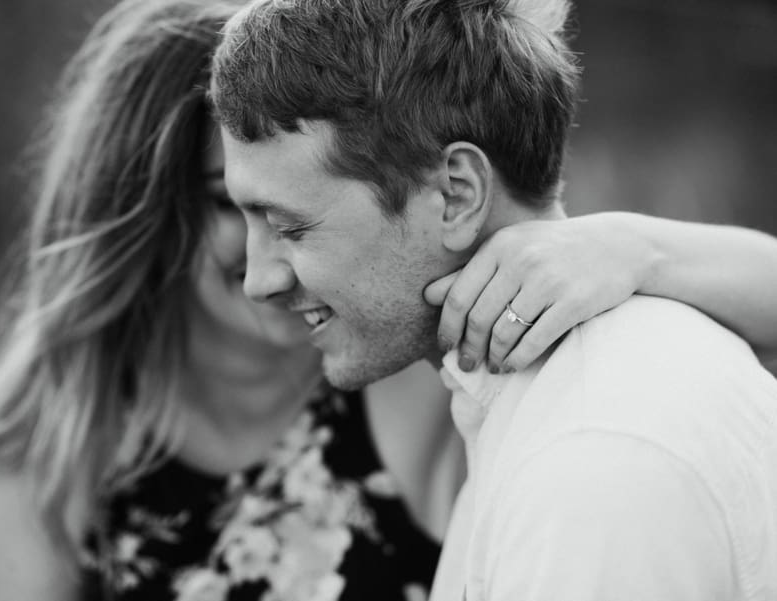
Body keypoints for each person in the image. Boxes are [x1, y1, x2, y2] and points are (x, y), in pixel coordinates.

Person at [210, 0, 777, 600]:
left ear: (456, 195)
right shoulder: (553, 409)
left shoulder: (589, 462)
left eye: (291, 228)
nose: (258, 281)